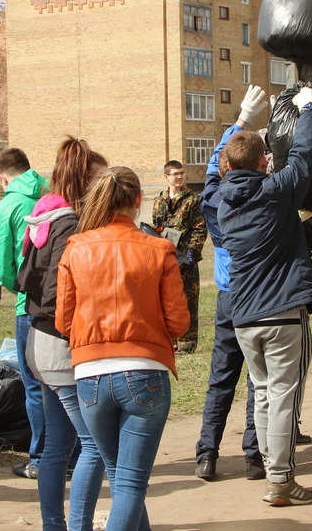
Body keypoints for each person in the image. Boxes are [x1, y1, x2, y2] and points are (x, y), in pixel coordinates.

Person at [56, 167, 190, 531]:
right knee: (129, 482)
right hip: (143, 369)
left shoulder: (75, 248)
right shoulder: (159, 249)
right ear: (138, 201)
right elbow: (179, 323)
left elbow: (63, 321)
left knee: (120, 476)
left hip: (89, 375)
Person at [217, 86, 312, 506]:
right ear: (264, 160)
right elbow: (305, 154)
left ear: (227, 165)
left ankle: (271, 470)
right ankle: (279, 479)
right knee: (282, 398)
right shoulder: (277, 190)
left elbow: (221, 167)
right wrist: (309, 109)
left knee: (262, 393)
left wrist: (243, 127)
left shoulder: (221, 200)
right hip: (281, 310)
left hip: (243, 315)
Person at [12, 136, 107, 530]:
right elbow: (54, 296)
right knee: (95, 447)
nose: (107, 188)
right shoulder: (69, 223)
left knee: (57, 445)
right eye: (101, 180)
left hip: (39, 341)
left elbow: (23, 279)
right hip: (58, 346)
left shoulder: (47, 215)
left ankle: (55, 524)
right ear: (86, 182)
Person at [194, 85, 268, 482]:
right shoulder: (269, 198)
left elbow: (211, 167)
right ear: (261, 164)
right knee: (259, 379)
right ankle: (254, 457)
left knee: (221, 378)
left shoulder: (211, 199)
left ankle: (207, 454)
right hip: (258, 299)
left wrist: (240, 121)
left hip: (228, 297)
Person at [0, 148, 48, 479]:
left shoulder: (6, 207)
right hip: (60, 303)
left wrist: (21, 289)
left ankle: (40, 459)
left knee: (35, 386)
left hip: (29, 306)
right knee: (62, 384)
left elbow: (1, 265)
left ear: (2, 176)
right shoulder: (49, 197)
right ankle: (71, 453)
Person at [151, 160, 206, 354]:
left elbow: (199, 229)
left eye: (182, 173)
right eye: (175, 174)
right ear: (166, 177)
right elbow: (156, 228)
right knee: (167, 299)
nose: (179, 177)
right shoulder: (159, 201)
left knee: (189, 298)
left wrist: (191, 253)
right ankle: (170, 340)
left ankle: (187, 342)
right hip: (166, 257)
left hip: (186, 257)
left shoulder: (193, 199)